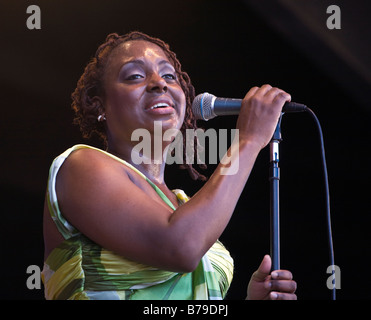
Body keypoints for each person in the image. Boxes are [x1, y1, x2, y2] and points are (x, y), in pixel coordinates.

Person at [41, 31, 297, 300]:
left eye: (169, 76)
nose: (159, 84)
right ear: (100, 104)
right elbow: (181, 247)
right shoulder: (80, 166)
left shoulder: (184, 206)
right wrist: (248, 141)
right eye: (135, 76)